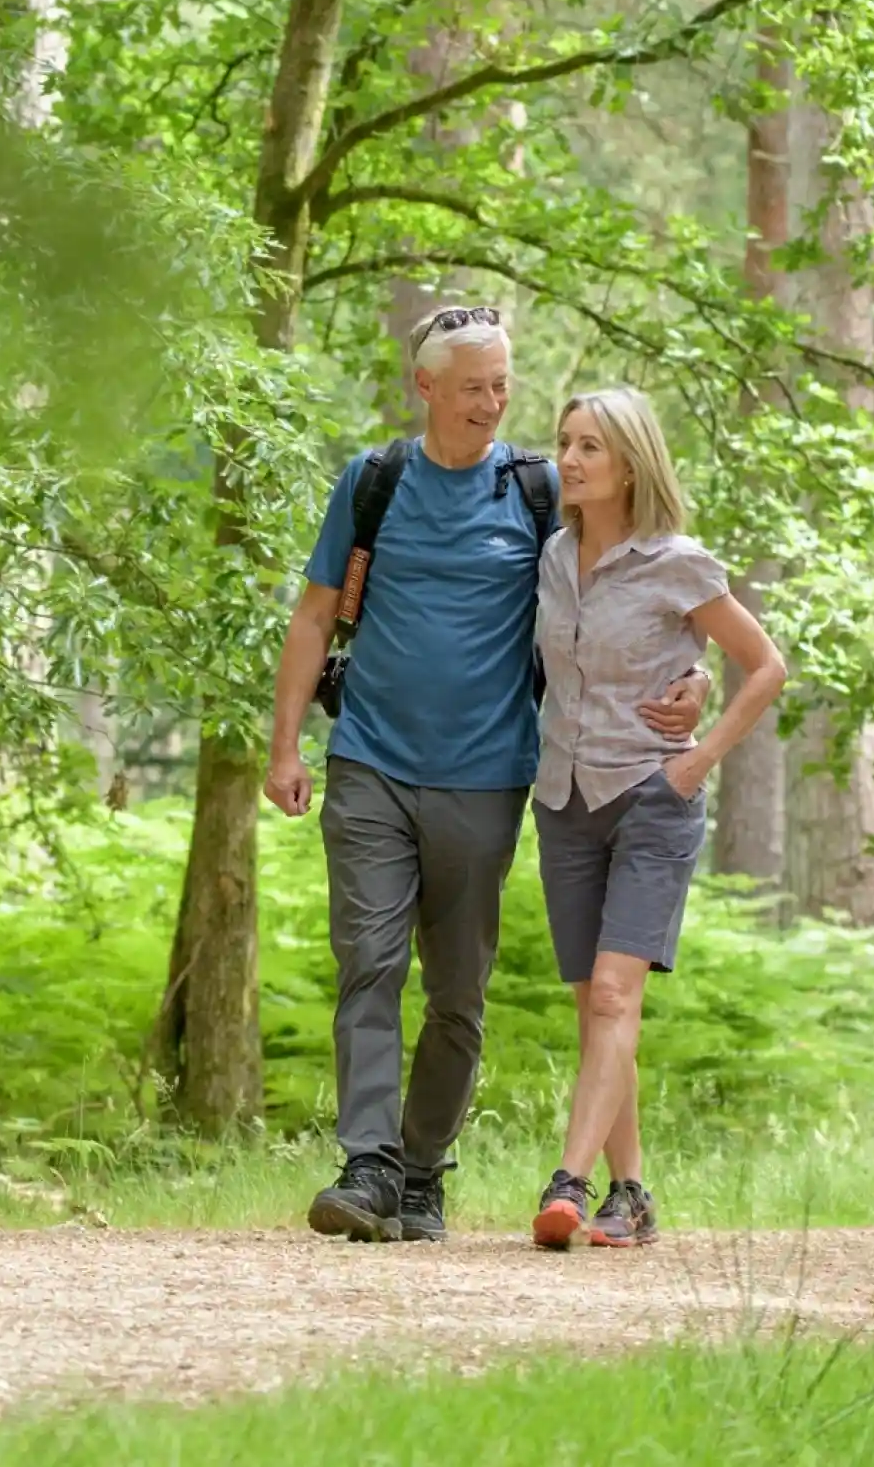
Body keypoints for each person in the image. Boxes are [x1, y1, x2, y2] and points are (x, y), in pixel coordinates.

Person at [265, 307, 711, 1244]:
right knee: (370, 964)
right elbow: (312, 618)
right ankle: (370, 1164)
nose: (493, 401)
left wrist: (695, 675)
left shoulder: (538, 491)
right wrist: (285, 745)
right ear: (426, 387)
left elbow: (627, 590)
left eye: (504, 383)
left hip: (489, 775)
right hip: (370, 762)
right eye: (474, 385)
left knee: (458, 990)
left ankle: (422, 1176)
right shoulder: (374, 482)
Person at [528, 388, 787, 1250]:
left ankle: (568, 1181)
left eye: (590, 446)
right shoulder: (552, 556)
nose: (569, 459)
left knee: (612, 995)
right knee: (596, 1007)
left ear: (632, 463)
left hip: (649, 798)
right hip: (564, 798)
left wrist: (699, 756)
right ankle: (631, 1193)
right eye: (565, 442)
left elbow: (765, 666)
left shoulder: (677, 562)